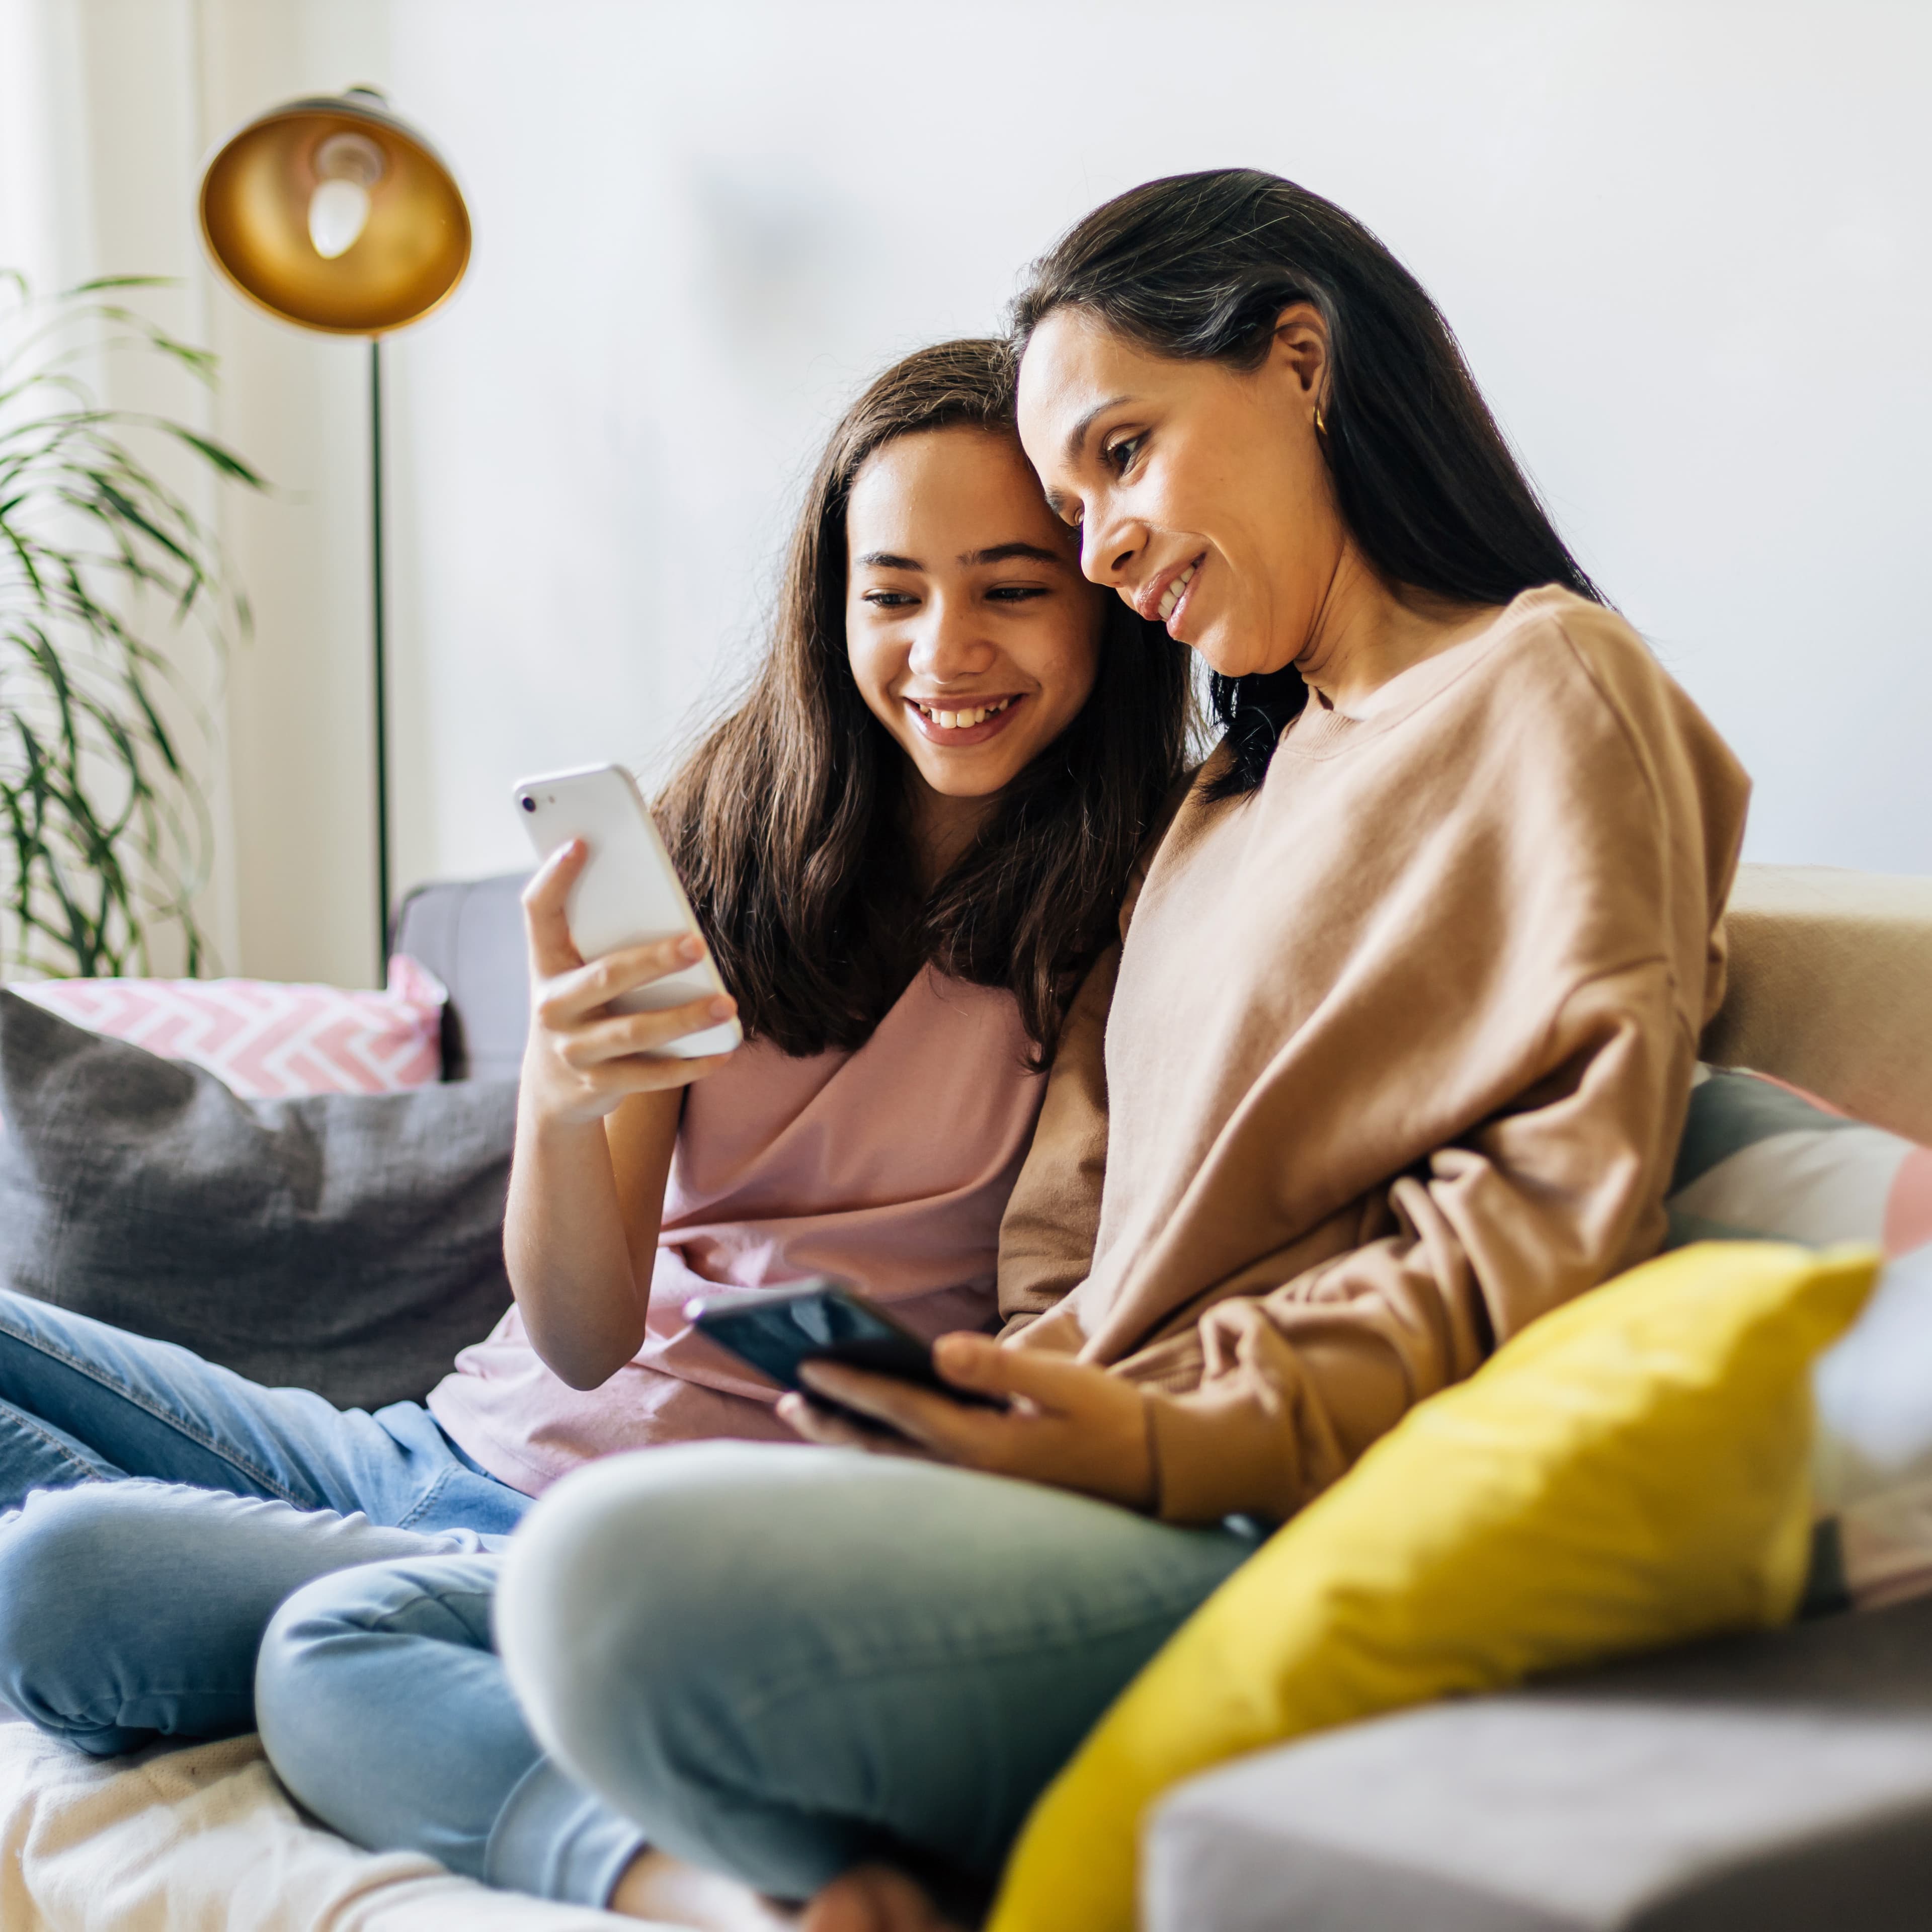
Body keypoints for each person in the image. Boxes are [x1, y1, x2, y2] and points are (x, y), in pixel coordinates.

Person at [470, 169, 1753, 1932]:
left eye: (1123, 460)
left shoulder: (1549, 689)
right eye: (1073, 505)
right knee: (370, 1620)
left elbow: (1540, 1234)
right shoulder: (1230, 797)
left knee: (591, 1589)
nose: (1101, 549)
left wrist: (1143, 1443)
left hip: (1219, 1509)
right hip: (1071, 1472)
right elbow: (1082, 1235)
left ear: (1301, 362)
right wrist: (981, 1403)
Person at [0, 339, 1189, 1917]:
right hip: (431, 1455)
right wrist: (567, 1093)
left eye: (1011, 588)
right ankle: (411, 1628)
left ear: (1103, 595)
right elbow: (574, 1335)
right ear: (829, 609)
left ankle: (711, 1877)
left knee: (78, 1590)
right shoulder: (714, 840)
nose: (942, 649)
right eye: (891, 592)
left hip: (657, 1542)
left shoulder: (1147, 911)